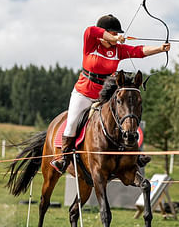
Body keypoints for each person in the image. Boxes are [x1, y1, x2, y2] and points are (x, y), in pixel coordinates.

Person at [50, 14, 171, 174]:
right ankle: (63, 158)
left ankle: (135, 155)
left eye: (116, 34)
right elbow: (92, 30)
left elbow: (138, 51)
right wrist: (115, 38)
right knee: (72, 122)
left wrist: (160, 49)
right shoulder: (91, 43)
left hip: (106, 95)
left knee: (124, 118)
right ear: (105, 33)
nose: (115, 36)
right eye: (113, 33)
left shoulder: (117, 50)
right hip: (84, 93)